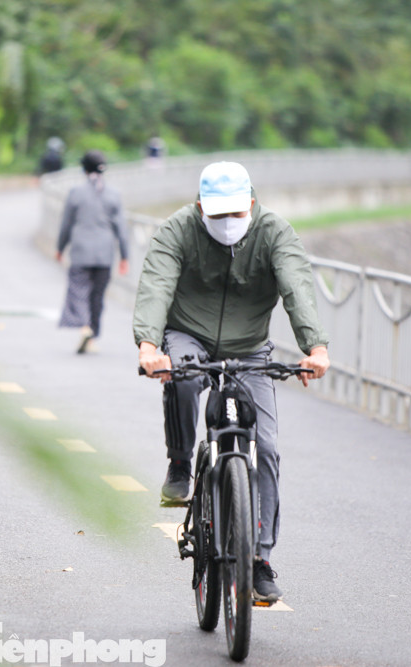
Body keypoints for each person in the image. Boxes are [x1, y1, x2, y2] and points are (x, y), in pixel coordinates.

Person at [134, 161, 330, 601]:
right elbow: (156, 285)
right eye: (217, 214)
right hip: (188, 333)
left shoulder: (275, 232)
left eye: (236, 214)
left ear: (252, 204)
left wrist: (314, 347)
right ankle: (182, 462)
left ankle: (258, 559)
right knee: (181, 379)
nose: (226, 223)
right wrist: (149, 346)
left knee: (269, 448)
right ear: (200, 206)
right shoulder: (178, 230)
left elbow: (297, 285)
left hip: (250, 346)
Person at [56, 150, 129, 354]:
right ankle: (92, 337)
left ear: (83, 168)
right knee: (97, 296)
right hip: (105, 254)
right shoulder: (114, 194)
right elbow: (121, 229)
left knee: (78, 291)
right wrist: (125, 256)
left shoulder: (75, 192)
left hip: (80, 252)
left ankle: (84, 327)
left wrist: (60, 248)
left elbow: (66, 224)